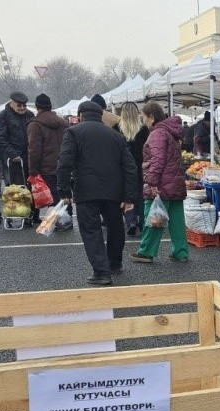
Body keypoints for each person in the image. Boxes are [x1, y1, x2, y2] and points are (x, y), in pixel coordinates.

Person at [57, 101, 138, 286]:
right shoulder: (116, 135)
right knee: (115, 227)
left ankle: (101, 272)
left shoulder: (73, 132)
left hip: (86, 190)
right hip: (114, 190)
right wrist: (129, 196)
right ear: (100, 115)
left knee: (91, 230)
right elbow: (130, 167)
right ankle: (114, 263)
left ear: (80, 115)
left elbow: (64, 163)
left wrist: (64, 190)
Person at [130, 102, 189, 264]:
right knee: (177, 221)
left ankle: (146, 252)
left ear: (151, 117)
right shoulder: (170, 132)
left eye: (144, 117)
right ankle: (180, 252)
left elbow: (157, 160)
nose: (143, 120)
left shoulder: (158, 133)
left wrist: (152, 181)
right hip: (175, 182)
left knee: (154, 217)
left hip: (162, 184)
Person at [26, 94, 69, 219]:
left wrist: (33, 171)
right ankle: (67, 219)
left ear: (37, 107)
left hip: (46, 167)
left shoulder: (35, 125)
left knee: (53, 197)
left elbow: (34, 150)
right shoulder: (63, 123)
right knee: (64, 194)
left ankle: (58, 221)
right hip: (63, 165)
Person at [115, 102, 150, 236]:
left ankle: (131, 221)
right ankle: (142, 221)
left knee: (126, 195)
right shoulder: (144, 129)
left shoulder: (116, 129)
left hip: (122, 168)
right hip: (140, 166)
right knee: (141, 195)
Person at [0, 91, 33, 186]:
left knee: (30, 185)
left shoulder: (30, 115)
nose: (22, 108)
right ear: (11, 103)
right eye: (19, 105)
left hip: (28, 156)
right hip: (12, 157)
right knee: (16, 187)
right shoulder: (3, 116)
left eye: (24, 105)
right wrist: (13, 154)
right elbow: (0, 138)